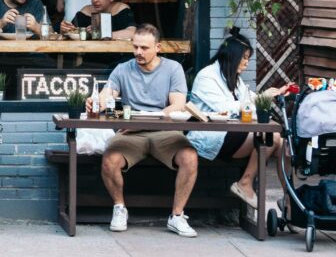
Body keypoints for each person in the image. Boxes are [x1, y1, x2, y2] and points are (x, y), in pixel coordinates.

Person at [91, 23, 199, 237]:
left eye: (144, 48)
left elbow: (177, 104)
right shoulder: (123, 69)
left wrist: (141, 122)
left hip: (164, 132)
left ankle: (177, 216)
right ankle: (119, 208)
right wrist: (97, 101)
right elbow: (107, 94)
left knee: (190, 157)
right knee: (109, 159)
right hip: (132, 134)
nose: (138, 52)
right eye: (135, 47)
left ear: (158, 47)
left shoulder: (173, 69)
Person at [187, 27, 290, 206]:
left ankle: (289, 201)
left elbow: (249, 100)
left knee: (283, 144)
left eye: (248, 59)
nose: (246, 63)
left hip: (234, 132)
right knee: (271, 137)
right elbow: (225, 109)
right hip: (212, 134)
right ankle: (245, 183)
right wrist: (260, 100)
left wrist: (272, 94)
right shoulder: (207, 77)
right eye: (244, 58)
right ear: (232, 55)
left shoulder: (234, 78)